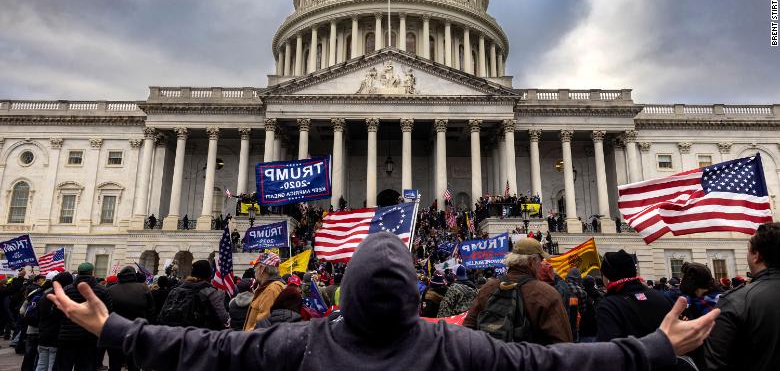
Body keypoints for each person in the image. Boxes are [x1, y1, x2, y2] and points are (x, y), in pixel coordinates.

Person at [48, 232, 720, 371]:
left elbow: (206, 351)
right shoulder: (458, 347)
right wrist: (655, 347)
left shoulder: (298, 344)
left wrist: (114, 328)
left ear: (347, 294)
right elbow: (560, 367)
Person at [465, 238, 572, 345]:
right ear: (532, 262)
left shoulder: (488, 288)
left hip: (491, 358)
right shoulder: (546, 294)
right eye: (541, 260)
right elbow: (563, 345)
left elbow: (468, 329)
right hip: (528, 360)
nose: (542, 264)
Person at [703, 222, 780, 371]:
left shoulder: (735, 301)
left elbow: (715, 364)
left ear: (756, 255)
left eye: (748, 251)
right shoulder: (737, 300)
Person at [596, 250, 672, 342]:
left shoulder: (608, 306)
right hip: (664, 354)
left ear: (607, 277)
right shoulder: (660, 296)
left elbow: (608, 350)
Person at [56, 262, 113, 371]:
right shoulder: (102, 291)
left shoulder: (67, 290)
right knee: (85, 367)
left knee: (63, 366)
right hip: (90, 337)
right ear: (92, 273)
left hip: (68, 336)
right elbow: (108, 313)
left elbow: (57, 312)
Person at [106, 267, 155, 371]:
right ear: (134, 275)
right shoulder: (144, 289)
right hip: (136, 331)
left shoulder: (111, 290)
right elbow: (151, 311)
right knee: (134, 364)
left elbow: (106, 311)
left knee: (115, 363)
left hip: (116, 330)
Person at [158, 260, 228, 330]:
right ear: (208, 274)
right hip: (198, 334)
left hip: (174, 332)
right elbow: (223, 317)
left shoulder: (175, 289)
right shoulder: (210, 292)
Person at [36, 272, 73, 371]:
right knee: (53, 365)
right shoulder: (62, 298)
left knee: (41, 364)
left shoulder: (45, 295)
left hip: (43, 334)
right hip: (55, 336)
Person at [243, 253, 285, 331]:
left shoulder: (271, 289)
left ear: (262, 269)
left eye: (256, 266)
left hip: (255, 340)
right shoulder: (269, 287)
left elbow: (264, 323)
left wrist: (247, 338)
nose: (254, 269)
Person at [564, 268, 589, 342]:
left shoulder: (560, 287)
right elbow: (582, 311)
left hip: (562, 324)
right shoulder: (582, 292)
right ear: (578, 278)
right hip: (575, 324)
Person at [580, 275, 603, 342]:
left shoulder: (581, 296)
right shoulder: (600, 295)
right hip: (598, 330)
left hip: (584, 332)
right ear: (594, 283)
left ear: (583, 284)